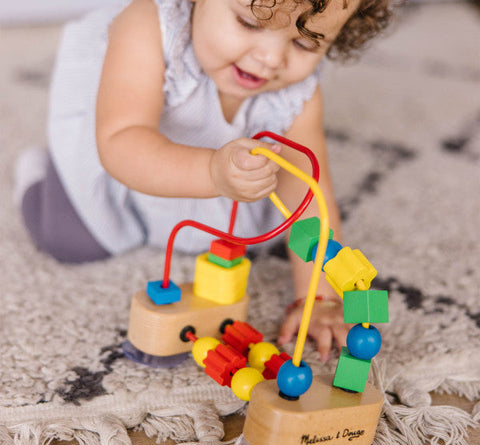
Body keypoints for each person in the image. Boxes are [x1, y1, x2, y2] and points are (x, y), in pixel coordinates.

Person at [14, 0, 393, 361]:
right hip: (131, 168)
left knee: (260, 241)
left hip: (224, 185)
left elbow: (308, 191)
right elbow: (122, 141)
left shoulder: (297, 93)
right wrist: (212, 171)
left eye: (304, 42)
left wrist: (318, 298)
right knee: (66, 238)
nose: (271, 58)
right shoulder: (149, 26)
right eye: (250, 22)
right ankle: (39, 173)